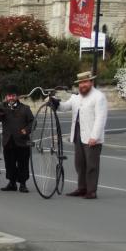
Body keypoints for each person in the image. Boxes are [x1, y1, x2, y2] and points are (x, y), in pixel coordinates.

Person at [52, 72, 108, 200]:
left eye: (85, 82)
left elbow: (101, 118)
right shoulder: (76, 97)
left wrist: (94, 136)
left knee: (91, 165)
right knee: (80, 164)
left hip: (91, 136)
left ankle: (91, 190)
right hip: (78, 134)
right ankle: (82, 188)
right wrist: (56, 103)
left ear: (91, 82)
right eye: (81, 83)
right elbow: (65, 107)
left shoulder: (99, 97)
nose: (83, 85)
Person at [0, 86, 34, 193]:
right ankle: (12, 183)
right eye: (9, 96)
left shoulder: (25, 108)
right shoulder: (2, 107)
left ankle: (23, 184)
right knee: (10, 163)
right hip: (8, 140)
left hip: (22, 141)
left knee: (23, 163)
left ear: (17, 97)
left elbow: (33, 122)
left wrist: (26, 130)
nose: (11, 98)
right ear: (6, 97)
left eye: (13, 96)